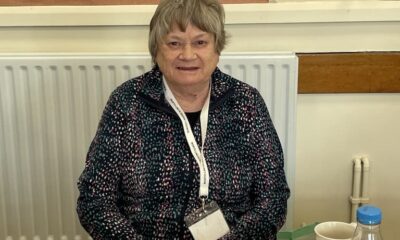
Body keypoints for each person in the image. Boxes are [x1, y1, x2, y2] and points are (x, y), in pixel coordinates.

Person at [76, 0, 290, 239]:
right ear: (156, 50)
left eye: (200, 42)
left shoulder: (245, 102)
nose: (187, 55)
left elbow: (273, 198)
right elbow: (95, 200)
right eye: (174, 43)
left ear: (217, 49)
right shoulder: (127, 103)